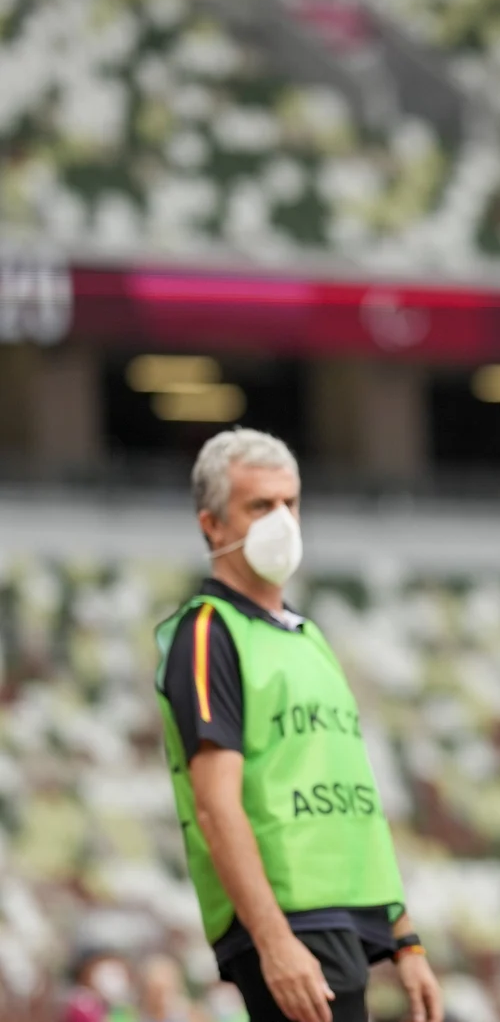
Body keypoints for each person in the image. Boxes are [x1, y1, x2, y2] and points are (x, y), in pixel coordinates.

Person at [153, 429, 444, 1022]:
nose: (281, 520)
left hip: (349, 915)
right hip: (290, 922)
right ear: (212, 524)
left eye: (290, 503)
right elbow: (215, 806)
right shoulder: (209, 632)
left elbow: (355, 800)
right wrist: (273, 940)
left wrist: (404, 937)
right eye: (259, 505)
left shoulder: (308, 639)